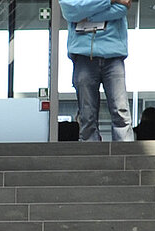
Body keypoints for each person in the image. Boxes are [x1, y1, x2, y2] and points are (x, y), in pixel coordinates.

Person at [64, 1, 135, 142]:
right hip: (83, 56)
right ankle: (91, 153)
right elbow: (69, 10)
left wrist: (85, 14)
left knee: (120, 111)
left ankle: (124, 152)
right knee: (87, 115)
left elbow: (121, 8)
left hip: (113, 54)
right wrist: (110, 1)